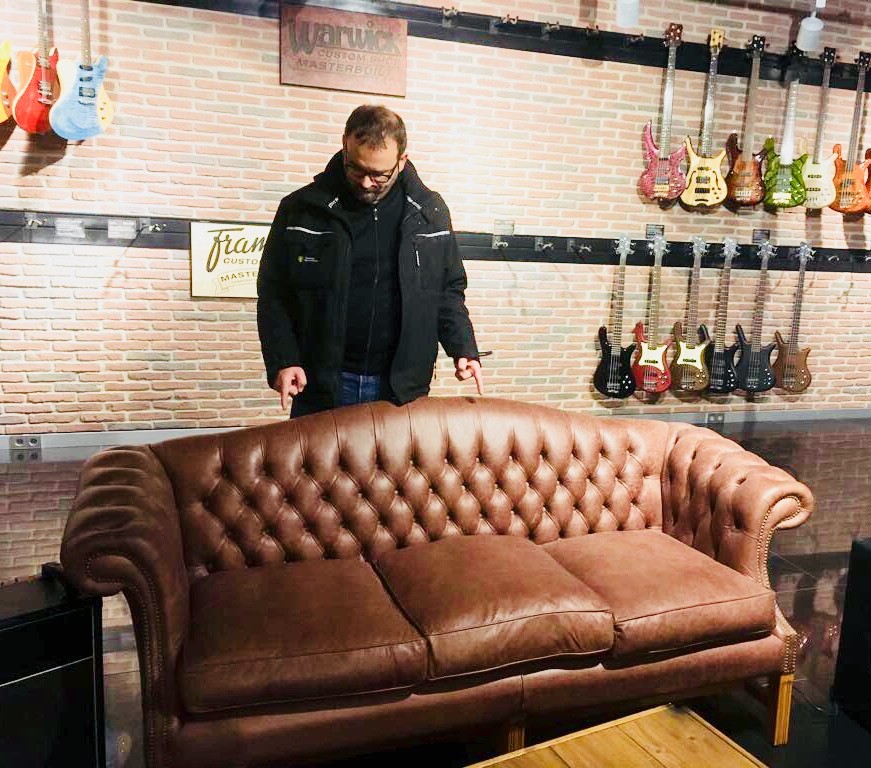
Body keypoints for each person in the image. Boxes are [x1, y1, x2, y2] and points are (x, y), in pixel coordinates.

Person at [257, 105, 483, 417]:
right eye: (356, 169)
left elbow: (447, 290)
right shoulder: (301, 209)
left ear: (402, 160)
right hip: (322, 384)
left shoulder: (429, 212)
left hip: (402, 388)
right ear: (344, 146)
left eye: (379, 175)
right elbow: (274, 293)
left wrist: (463, 347)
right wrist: (283, 359)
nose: (365, 183)